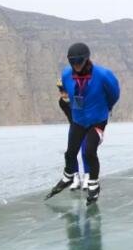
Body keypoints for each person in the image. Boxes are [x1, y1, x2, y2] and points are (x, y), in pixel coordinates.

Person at [46, 42, 120, 204]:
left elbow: (115, 94)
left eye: (79, 61)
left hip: (97, 120)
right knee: (70, 153)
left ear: (86, 59)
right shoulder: (66, 74)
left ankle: (93, 185)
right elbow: (68, 92)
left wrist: (105, 107)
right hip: (78, 120)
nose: (76, 65)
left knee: (89, 151)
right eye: (73, 62)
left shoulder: (103, 75)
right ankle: (68, 177)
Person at [57, 79, 90, 190]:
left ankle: (87, 177)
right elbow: (71, 117)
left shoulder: (77, 99)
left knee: (86, 152)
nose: (63, 93)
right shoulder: (61, 102)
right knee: (71, 153)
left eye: (65, 90)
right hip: (74, 127)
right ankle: (75, 178)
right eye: (61, 90)